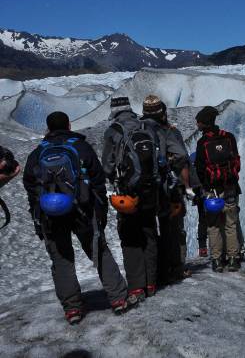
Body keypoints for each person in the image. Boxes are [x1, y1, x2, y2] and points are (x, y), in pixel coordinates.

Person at [23, 111, 128, 324]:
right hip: (83, 211)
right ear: (69, 125)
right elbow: (98, 181)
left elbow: (31, 187)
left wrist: (38, 217)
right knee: (98, 251)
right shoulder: (81, 147)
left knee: (61, 260)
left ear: (48, 128)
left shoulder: (38, 153)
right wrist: (100, 212)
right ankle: (118, 298)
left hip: (50, 214)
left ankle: (72, 309)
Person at [102, 97, 161, 305]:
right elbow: (159, 159)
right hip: (150, 190)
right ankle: (152, 283)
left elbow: (107, 166)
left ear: (114, 111)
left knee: (130, 238)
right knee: (149, 233)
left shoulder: (113, 131)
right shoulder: (146, 126)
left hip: (127, 194)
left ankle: (137, 285)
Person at [139, 95, 199, 284]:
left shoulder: (136, 129)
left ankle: (153, 272)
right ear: (162, 113)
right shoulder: (168, 131)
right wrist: (188, 186)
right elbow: (182, 157)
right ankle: (176, 268)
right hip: (168, 188)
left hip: (143, 190)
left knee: (148, 230)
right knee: (173, 229)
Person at [194, 106, 242, 272]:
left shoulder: (202, 143)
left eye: (198, 121)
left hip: (212, 191)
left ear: (204, 123)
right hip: (230, 187)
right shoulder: (228, 137)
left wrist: (203, 188)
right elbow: (237, 162)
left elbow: (199, 170)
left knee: (213, 226)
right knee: (231, 224)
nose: (197, 124)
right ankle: (233, 259)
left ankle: (217, 260)